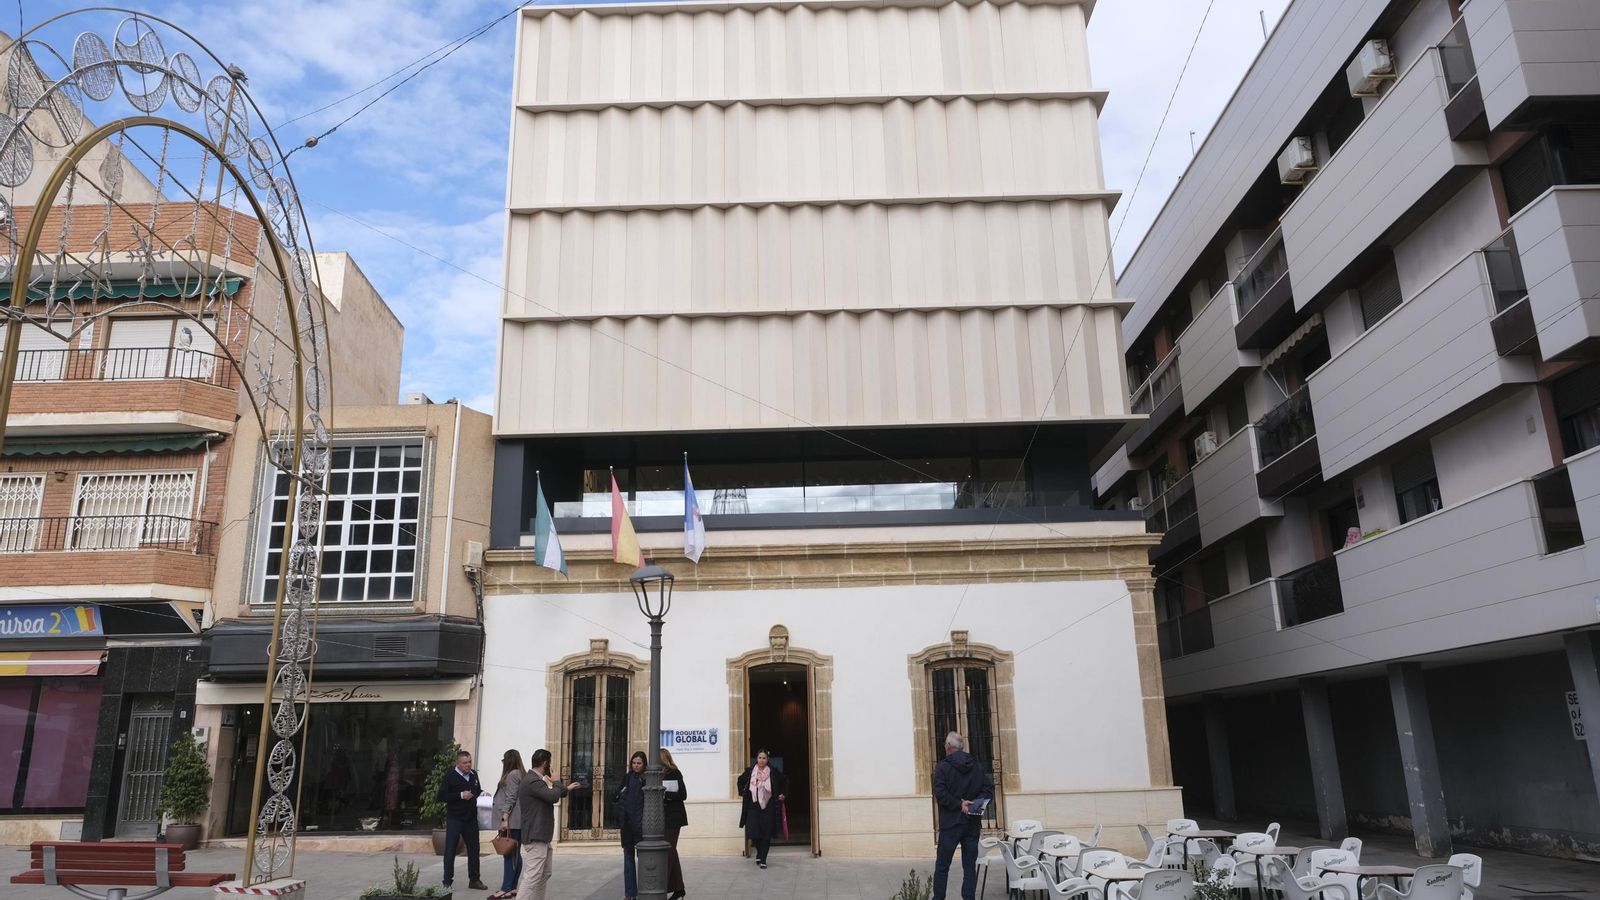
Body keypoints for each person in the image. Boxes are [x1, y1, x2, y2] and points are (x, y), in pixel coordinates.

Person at [931, 732, 995, 900]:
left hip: (950, 823)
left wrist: (959, 804)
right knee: (969, 866)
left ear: (947, 747)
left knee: (942, 866)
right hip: (972, 823)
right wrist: (973, 804)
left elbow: (940, 793)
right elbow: (988, 790)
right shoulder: (977, 765)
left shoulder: (943, 767)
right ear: (962, 747)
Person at [515, 749, 581, 900]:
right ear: (545, 763)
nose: (550, 767)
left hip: (541, 835)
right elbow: (552, 796)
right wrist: (557, 781)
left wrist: (567, 788)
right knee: (532, 876)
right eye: (549, 763)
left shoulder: (536, 781)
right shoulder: (532, 781)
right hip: (535, 835)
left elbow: (556, 794)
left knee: (544, 873)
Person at [437, 749, 488, 891]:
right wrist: (460, 795)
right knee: (450, 850)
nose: (468, 765)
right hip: (455, 818)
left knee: (474, 849)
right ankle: (447, 881)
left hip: (470, 818)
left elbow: (476, 791)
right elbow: (441, 796)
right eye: (465, 763)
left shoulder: (473, 775)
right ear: (458, 763)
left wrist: (483, 793)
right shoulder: (450, 776)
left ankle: (474, 880)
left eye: (470, 762)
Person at [736, 749, 787, 869]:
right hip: (753, 805)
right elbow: (740, 780)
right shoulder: (750, 772)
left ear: (767, 760)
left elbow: (785, 781)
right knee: (753, 831)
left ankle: (763, 859)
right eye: (760, 758)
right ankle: (759, 852)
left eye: (764, 758)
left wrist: (783, 794)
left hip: (768, 805)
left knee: (766, 832)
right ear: (757, 759)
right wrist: (742, 792)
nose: (762, 760)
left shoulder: (773, 772)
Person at [491, 749, 527, 900]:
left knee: (509, 855)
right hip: (515, 821)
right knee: (514, 854)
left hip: (511, 822)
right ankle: (512, 888)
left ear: (508, 760)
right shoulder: (520, 774)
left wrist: (505, 818)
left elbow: (511, 797)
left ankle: (506, 888)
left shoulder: (513, 775)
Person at [618, 751, 647, 900]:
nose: (636, 766)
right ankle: (629, 894)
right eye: (634, 763)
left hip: (640, 825)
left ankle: (643, 891)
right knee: (628, 859)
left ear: (644, 764)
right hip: (627, 824)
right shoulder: (627, 777)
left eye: (639, 763)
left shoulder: (647, 779)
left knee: (643, 859)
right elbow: (619, 794)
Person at [660, 747, 688, 900]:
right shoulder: (656, 774)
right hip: (662, 818)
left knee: (668, 852)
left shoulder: (674, 773)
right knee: (672, 851)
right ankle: (679, 889)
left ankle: (662, 888)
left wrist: (665, 794)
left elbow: (683, 794)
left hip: (674, 818)